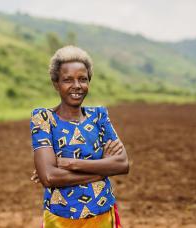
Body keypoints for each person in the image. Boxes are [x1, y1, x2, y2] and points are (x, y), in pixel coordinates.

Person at [29, 45, 129, 228]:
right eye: (68, 80)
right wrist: (103, 170)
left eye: (82, 79)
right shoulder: (43, 119)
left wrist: (69, 163)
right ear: (56, 84)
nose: (77, 86)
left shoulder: (99, 116)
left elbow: (122, 164)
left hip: (102, 216)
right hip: (60, 219)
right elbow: (49, 177)